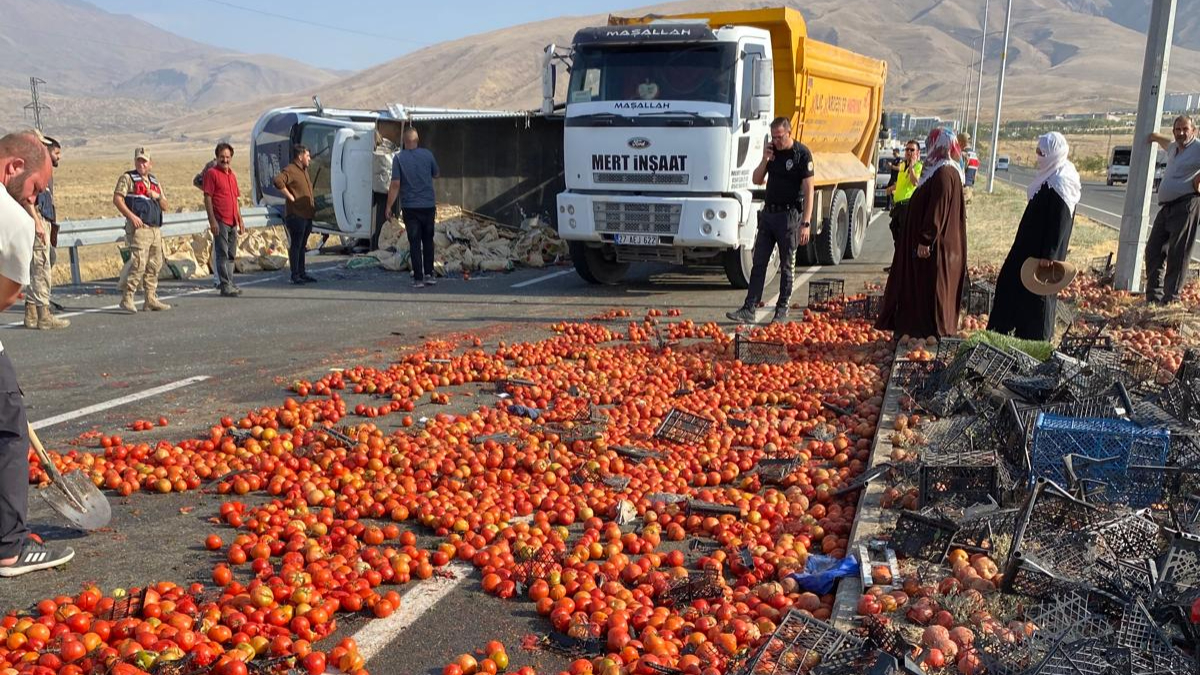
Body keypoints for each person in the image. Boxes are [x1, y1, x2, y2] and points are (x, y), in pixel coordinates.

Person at [0, 130, 75, 578]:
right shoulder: (12, 217)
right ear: (13, 167)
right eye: (35, 188)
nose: (34, 198)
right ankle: (10, 548)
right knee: (8, 430)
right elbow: (5, 296)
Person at [987, 132, 1081, 340]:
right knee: (1011, 287)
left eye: (1042, 153)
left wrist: (1049, 255)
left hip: (1041, 256)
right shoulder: (1050, 177)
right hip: (1028, 248)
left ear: (1054, 154)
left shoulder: (1061, 181)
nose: (1039, 157)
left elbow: (1061, 221)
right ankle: (1008, 335)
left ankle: (1036, 343)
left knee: (1039, 297)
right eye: (1037, 152)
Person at [876, 127, 968, 339]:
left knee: (933, 289)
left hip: (936, 248)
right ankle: (920, 330)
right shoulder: (939, 170)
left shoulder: (944, 173)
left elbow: (938, 209)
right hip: (934, 246)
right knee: (923, 288)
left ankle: (932, 332)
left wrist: (926, 239)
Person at [726, 117, 815, 325]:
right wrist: (765, 159)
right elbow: (757, 179)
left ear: (789, 133)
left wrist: (806, 222)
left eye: (779, 137)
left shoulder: (801, 154)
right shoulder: (772, 153)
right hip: (769, 215)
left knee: (786, 266)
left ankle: (781, 310)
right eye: (773, 137)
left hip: (789, 217)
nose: (776, 141)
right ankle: (749, 308)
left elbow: (809, 189)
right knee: (759, 263)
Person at [1145, 115, 1200, 305]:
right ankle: (1154, 297)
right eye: (1178, 129)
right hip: (1167, 207)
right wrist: (1153, 136)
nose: (1181, 133)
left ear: (1194, 131)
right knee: (1154, 249)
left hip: (1186, 204)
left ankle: (1171, 299)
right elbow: (1166, 143)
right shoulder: (1174, 147)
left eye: (1185, 129)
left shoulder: (1197, 148)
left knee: (1178, 253)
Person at [113, 147, 171, 313]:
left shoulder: (154, 181)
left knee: (155, 264)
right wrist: (131, 217)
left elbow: (165, 205)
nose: (141, 164)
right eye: (139, 160)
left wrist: (157, 196)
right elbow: (117, 199)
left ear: (150, 163)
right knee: (138, 264)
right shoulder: (128, 178)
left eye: (144, 161)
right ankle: (127, 297)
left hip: (155, 230)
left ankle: (150, 298)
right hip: (140, 229)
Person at [385, 128, 440, 288]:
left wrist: (388, 206)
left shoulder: (398, 158)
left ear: (404, 142)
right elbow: (436, 174)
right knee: (428, 240)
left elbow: (395, 184)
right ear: (417, 140)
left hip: (410, 207)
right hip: (428, 205)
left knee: (414, 242)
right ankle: (429, 274)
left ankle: (418, 278)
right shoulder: (428, 155)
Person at [26, 134, 68, 329]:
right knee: (41, 268)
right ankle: (44, 315)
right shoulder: (34, 170)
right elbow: (28, 199)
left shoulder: (45, 172)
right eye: (56, 153)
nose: (59, 157)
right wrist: (37, 223)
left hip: (44, 222)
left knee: (41, 264)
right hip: (38, 222)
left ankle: (31, 312)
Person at [203, 143, 245, 297]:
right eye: (222, 157)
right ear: (217, 157)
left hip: (232, 220)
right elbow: (208, 197)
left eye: (227, 157)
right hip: (220, 219)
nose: (225, 160)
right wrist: (212, 221)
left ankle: (230, 282)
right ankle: (225, 285)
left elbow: (236, 199)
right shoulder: (212, 174)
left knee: (231, 254)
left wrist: (240, 220)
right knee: (222, 254)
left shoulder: (232, 176)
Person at [273, 144, 317, 285]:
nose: (309, 158)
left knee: (302, 245)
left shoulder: (303, 170)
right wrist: (290, 196)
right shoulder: (291, 170)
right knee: (296, 245)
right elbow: (278, 181)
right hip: (296, 215)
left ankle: (302, 273)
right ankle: (295, 274)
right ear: (300, 156)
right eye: (307, 156)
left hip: (306, 215)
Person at [886, 140, 922, 245]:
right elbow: (901, 182)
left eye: (912, 150)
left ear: (918, 152)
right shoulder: (902, 165)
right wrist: (891, 188)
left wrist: (911, 167)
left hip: (907, 205)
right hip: (898, 205)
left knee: (905, 238)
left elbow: (915, 182)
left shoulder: (919, 166)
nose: (909, 152)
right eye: (907, 149)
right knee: (895, 232)